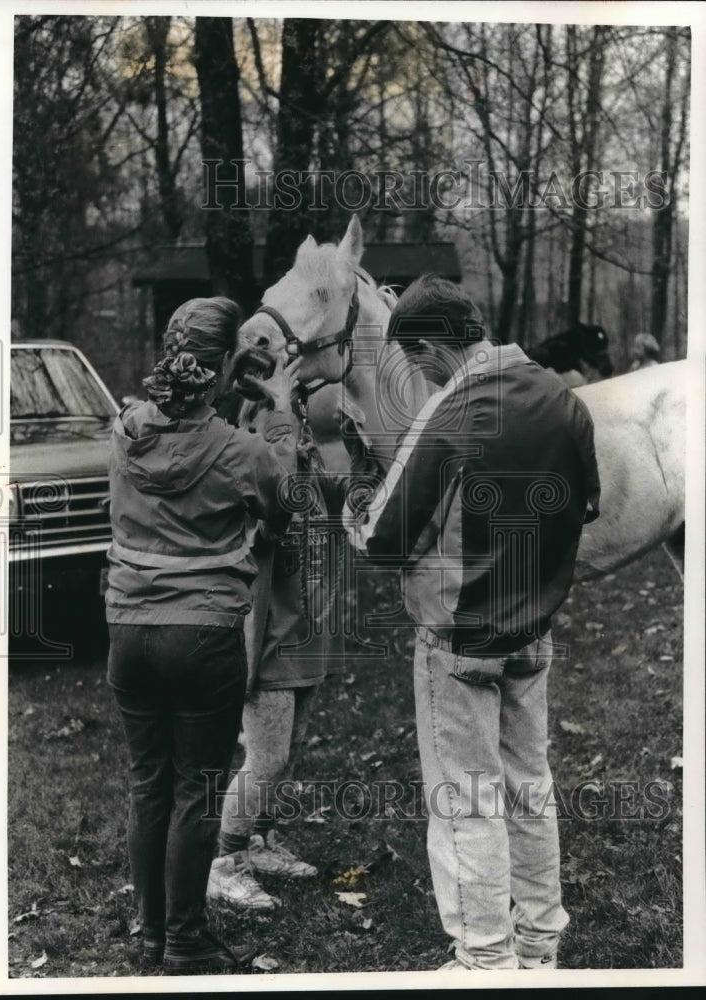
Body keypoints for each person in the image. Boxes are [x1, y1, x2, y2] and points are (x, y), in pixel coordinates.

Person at [358, 275, 601, 971]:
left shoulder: (449, 412)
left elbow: (384, 540)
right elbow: (585, 505)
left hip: (458, 638)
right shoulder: (563, 398)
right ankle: (537, 946)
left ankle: (484, 958)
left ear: (434, 344)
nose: (420, 374)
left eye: (417, 358)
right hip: (533, 632)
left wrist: (352, 511)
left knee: (465, 801)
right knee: (529, 785)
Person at [104, 297, 300, 975]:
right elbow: (282, 510)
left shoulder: (125, 431)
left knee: (147, 784)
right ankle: (185, 941)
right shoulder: (241, 450)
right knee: (197, 791)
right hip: (204, 635)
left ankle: (149, 932)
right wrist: (276, 405)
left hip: (128, 629)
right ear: (222, 368)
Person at [206, 399, 347, 910]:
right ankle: (226, 861)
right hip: (266, 641)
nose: (297, 439)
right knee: (266, 759)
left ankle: (260, 840)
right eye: (284, 431)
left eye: (300, 426)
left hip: (306, 635)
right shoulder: (254, 488)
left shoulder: (308, 472)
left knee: (290, 751)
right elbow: (278, 493)